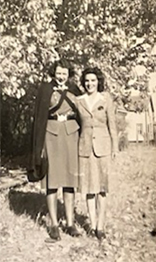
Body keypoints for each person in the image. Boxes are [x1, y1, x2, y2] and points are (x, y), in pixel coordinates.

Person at [32, 58, 82, 241]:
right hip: (51, 136)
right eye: (59, 72)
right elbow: (39, 118)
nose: (61, 76)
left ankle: (70, 223)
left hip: (71, 135)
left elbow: (82, 113)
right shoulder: (45, 89)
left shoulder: (75, 90)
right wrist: (40, 148)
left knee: (70, 181)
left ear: (69, 74)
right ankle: (54, 224)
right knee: (51, 181)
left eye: (65, 73)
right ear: (54, 72)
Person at [77, 67, 118, 240]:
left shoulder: (106, 98)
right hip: (85, 148)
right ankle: (92, 225)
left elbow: (113, 125)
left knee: (102, 188)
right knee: (88, 188)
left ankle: (100, 226)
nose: (90, 83)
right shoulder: (79, 100)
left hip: (103, 148)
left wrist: (115, 147)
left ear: (98, 81)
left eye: (93, 80)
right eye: (87, 80)